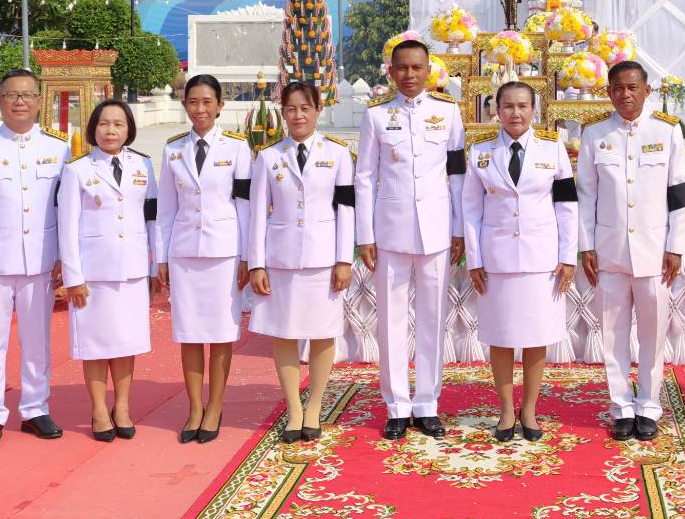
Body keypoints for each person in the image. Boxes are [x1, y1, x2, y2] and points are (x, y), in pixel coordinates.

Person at [0, 69, 70, 452]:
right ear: (0, 101)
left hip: (40, 260)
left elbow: (65, 210)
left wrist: (63, 259)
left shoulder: (58, 148)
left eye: (28, 95)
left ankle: (36, 407)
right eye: (12, 95)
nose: (20, 101)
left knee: (37, 341)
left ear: (40, 101)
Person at [355, 39, 466, 439]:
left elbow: (457, 177)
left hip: (436, 230)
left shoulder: (448, 112)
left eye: (417, 67)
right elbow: (364, 177)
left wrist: (458, 229)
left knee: (434, 319)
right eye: (402, 68)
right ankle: (397, 404)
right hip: (390, 231)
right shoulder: (376, 117)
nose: (410, 75)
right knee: (391, 320)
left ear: (429, 70)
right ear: (391, 71)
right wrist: (365, 234)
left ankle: (427, 402)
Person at [578, 60, 685, 441]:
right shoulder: (596, 134)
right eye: (617, 89)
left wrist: (676, 247)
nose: (625, 95)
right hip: (610, 251)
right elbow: (586, 195)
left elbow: (679, 193)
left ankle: (649, 405)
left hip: (655, 252)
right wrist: (586, 245)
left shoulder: (667, 131)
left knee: (652, 333)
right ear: (609, 92)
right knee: (612, 334)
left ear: (646, 90)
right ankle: (621, 407)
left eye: (632, 87)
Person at [463, 81, 578, 441]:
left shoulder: (553, 149)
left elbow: (567, 205)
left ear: (534, 111)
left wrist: (567, 255)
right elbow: (470, 209)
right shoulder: (480, 153)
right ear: (496, 110)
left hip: (540, 260)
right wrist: (474, 259)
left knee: (535, 337)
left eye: (523, 106)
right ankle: (505, 411)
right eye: (508, 106)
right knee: (500, 337)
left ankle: (529, 409)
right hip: (495, 260)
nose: (515, 113)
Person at [248, 81, 355, 443]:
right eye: (291, 109)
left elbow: (346, 209)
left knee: (323, 331)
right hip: (281, 259)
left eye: (305, 108)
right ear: (283, 112)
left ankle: (314, 408)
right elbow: (257, 214)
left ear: (318, 110)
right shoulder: (268, 157)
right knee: (285, 332)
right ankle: (294, 409)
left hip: (324, 258)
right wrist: (256, 263)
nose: (298, 116)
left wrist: (344, 258)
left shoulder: (338, 154)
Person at [57, 99, 161, 442]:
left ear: (129, 128)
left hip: (132, 268)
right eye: (104, 124)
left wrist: (155, 262)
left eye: (118, 123)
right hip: (94, 272)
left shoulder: (143, 166)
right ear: (93, 129)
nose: (111, 130)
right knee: (96, 343)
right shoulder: (77, 170)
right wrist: (74, 278)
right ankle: (100, 409)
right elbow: (66, 226)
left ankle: (123, 407)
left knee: (125, 341)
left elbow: (152, 219)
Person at [157, 74, 251, 444]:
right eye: (193, 102)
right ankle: (195, 407)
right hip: (183, 252)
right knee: (190, 333)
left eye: (207, 102)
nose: (200, 109)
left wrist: (248, 256)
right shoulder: (173, 150)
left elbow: (245, 206)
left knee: (221, 333)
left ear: (220, 106)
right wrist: (160, 259)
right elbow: (165, 208)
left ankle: (215, 406)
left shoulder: (238, 148)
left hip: (224, 251)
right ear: (185, 105)